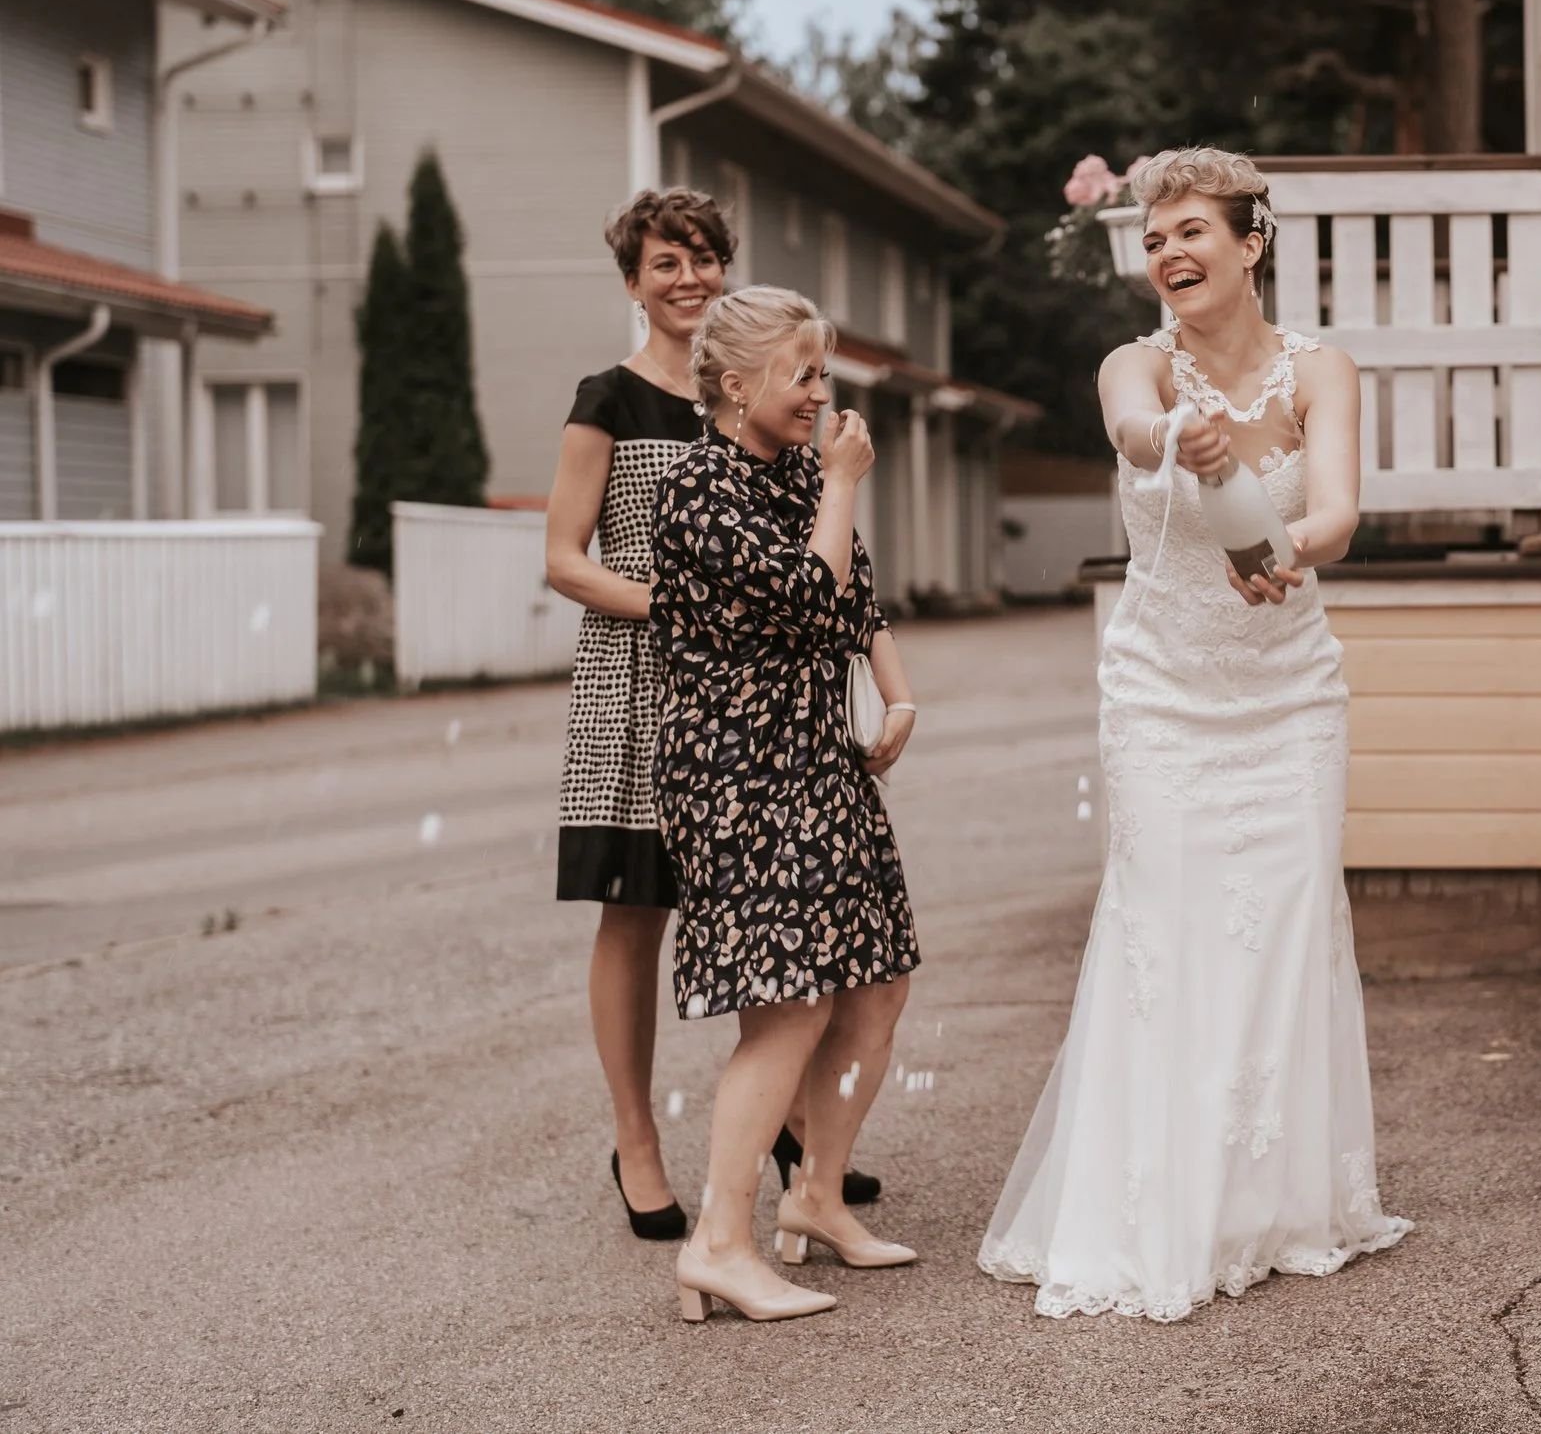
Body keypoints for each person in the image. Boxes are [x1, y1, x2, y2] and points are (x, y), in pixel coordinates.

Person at [979, 147, 1409, 1322]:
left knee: (1283, 921)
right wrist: (1178, 435)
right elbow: (1126, 427)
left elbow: (1337, 512)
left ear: (1249, 242)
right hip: (1165, 687)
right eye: (1155, 238)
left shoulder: (1323, 368)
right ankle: (1158, 1201)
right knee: (1163, 923)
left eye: (1190, 233)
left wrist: (1281, 547)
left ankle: (1272, 1202)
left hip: (1289, 687)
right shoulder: (1136, 363)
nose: (1169, 254)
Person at [546, 191, 878, 1244]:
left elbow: (825, 559)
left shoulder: (755, 380)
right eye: (663, 261)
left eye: (703, 259)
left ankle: (783, 1126)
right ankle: (636, 1137)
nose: (686, 277)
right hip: (642, 680)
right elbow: (563, 559)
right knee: (637, 908)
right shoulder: (610, 397)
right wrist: (692, 605)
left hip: (764, 688)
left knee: (760, 901)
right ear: (631, 279)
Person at [652, 286, 923, 1321]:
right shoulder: (697, 490)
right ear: (735, 385)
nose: (820, 392)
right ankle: (717, 1239)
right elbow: (809, 598)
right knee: (790, 1000)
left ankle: (814, 1196)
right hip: (739, 774)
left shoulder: (800, 473)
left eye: (821, 373)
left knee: (878, 981)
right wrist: (845, 482)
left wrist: (897, 690)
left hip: (819, 762)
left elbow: (855, 593)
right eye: (802, 374)